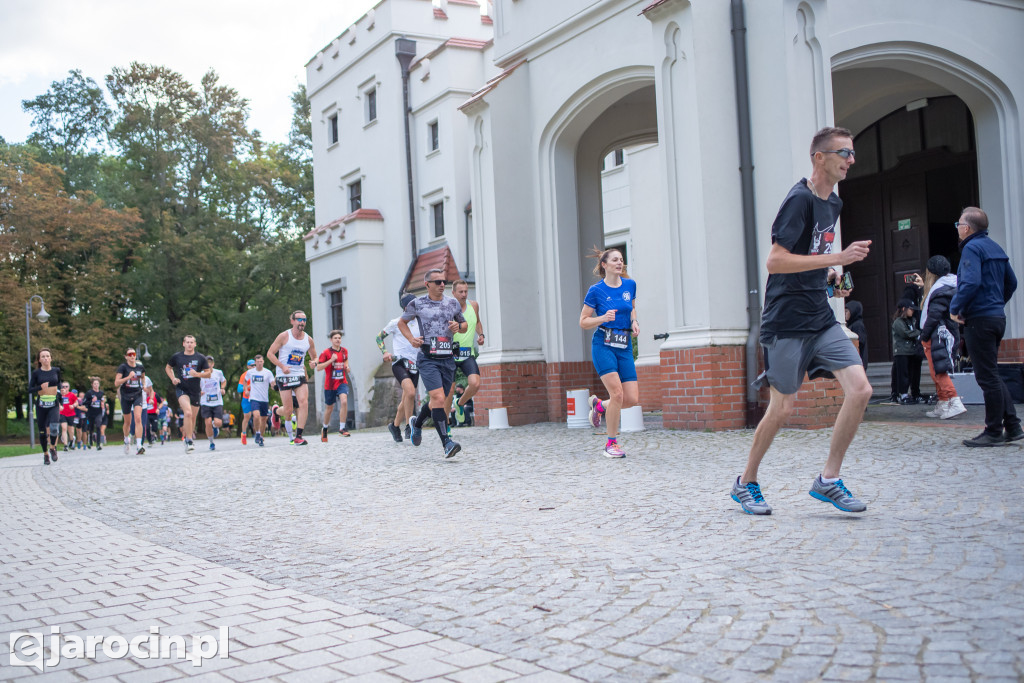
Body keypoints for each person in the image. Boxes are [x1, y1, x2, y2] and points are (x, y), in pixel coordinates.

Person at [730, 126, 873, 515]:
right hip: (786, 322)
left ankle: (828, 480)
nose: (850, 160)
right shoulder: (799, 200)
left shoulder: (834, 204)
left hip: (820, 316)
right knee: (783, 409)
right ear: (819, 157)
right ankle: (746, 482)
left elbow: (812, 254)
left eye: (852, 153)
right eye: (843, 152)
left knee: (860, 390)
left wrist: (830, 277)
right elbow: (775, 261)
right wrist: (836, 259)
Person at [949, 206, 1021, 446]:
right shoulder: (995, 247)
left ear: (967, 228)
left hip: (979, 320)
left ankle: (992, 431)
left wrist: (955, 308)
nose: (957, 228)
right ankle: (1012, 426)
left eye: (959, 224)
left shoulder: (971, 248)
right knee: (992, 374)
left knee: (986, 377)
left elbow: (970, 282)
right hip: (997, 318)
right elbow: (1012, 282)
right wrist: (997, 303)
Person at [399, 269, 467, 458]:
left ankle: (417, 423)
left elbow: (464, 325)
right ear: (427, 284)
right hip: (428, 358)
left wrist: (458, 327)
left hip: (447, 359)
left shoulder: (452, 303)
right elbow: (401, 323)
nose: (442, 284)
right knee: (438, 398)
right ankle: (446, 442)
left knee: (438, 399)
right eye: (437, 282)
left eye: (443, 281)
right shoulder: (417, 303)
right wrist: (412, 339)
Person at [579, 248, 639, 458]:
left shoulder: (630, 285)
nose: (619, 263)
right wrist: (602, 318)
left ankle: (599, 406)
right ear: (604, 265)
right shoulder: (596, 290)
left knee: (630, 399)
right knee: (618, 394)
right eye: (615, 260)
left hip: (624, 345)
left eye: (621, 260)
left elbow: (631, 307)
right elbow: (583, 321)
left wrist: (634, 321)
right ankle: (611, 444)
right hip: (603, 343)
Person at [921, 255, 967, 420]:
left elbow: (933, 315)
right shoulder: (950, 285)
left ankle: (954, 401)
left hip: (937, 334)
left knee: (939, 371)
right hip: (945, 332)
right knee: (936, 371)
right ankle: (942, 402)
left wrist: (923, 335)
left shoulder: (939, 291)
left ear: (932, 272)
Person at [376, 293, 421, 443]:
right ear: (405, 307)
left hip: (416, 364)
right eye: (413, 305)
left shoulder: (421, 322)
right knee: (410, 392)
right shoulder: (396, 322)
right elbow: (379, 337)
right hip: (399, 363)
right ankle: (409, 426)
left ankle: (395, 426)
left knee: (407, 398)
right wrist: (385, 352)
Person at [267, 311, 316, 445]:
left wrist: (314, 362)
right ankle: (276, 412)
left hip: (299, 374)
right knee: (288, 411)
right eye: (299, 319)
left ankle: (298, 436)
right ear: (292, 321)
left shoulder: (308, 339)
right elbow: (270, 354)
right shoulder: (284, 336)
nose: (302, 322)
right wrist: (282, 366)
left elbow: (314, 356)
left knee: (303, 402)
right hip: (284, 376)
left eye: (304, 320)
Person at [443, 280, 485, 426]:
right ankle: (446, 423)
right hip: (450, 354)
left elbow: (477, 322)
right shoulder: (447, 309)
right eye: (460, 292)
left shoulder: (473, 305)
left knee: (475, 383)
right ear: (453, 293)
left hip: (467, 353)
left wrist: (481, 335)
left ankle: (460, 403)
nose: (464, 294)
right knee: (449, 391)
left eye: (466, 291)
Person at [165, 334, 212, 452]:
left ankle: (189, 435)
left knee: (193, 417)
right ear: (183, 344)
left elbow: (208, 373)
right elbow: (168, 368)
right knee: (188, 413)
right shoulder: (177, 357)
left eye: (192, 342)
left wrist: (197, 374)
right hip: (182, 388)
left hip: (195, 390)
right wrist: (173, 378)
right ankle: (189, 440)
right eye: (187, 342)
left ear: (195, 344)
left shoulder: (201, 358)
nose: (189, 344)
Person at [315, 330, 351, 441]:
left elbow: (345, 361)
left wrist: (347, 367)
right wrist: (331, 360)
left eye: (339, 338)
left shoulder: (344, 351)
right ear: (331, 340)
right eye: (335, 338)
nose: (338, 340)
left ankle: (342, 428)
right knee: (329, 408)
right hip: (330, 385)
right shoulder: (326, 352)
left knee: (344, 401)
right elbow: (319, 367)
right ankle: (325, 428)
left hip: (341, 382)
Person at [28, 349, 62, 465]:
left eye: (47, 356)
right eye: (43, 356)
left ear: (51, 358)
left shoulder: (56, 370)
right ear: (39, 360)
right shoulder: (36, 373)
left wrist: (60, 393)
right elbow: (29, 389)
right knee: (42, 432)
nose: (46, 358)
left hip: (54, 404)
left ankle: (52, 448)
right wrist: (40, 387)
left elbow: (59, 384)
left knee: (54, 428)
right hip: (41, 406)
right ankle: (45, 454)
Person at [114, 347, 147, 455]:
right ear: (126, 356)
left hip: (137, 394)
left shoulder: (140, 367)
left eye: (133, 354)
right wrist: (128, 377)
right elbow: (116, 383)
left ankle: (139, 445)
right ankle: (126, 439)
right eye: (130, 354)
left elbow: (143, 377)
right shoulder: (123, 367)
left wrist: (144, 385)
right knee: (127, 422)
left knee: (138, 418)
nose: (132, 356)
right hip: (126, 396)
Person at [891, 298, 922, 404]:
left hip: (911, 351)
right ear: (904, 309)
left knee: (910, 373)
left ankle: (912, 394)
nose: (912, 311)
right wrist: (918, 332)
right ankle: (902, 394)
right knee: (902, 373)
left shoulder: (911, 320)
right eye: (910, 309)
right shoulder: (898, 322)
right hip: (901, 352)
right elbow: (906, 333)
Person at [246, 355, 276, 446]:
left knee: (264, 419)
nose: (259, 363)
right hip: (254, 398)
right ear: (255, 363)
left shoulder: (268, 372)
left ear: (263, 362)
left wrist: (273, 386)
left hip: (264, 399)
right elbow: (245, 380)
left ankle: (261, 436)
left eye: (261, 361)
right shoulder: (250, 372)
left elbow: (272, 383)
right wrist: (246, 389)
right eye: (257, 362)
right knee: (256, 415)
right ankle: (257, 433)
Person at [199, 355, 227, 450]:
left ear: (213, 364)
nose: (208, 364)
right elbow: (195, 386)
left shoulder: (218, 372)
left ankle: (216, 427)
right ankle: (211, 442)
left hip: (217, 401)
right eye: (207, 362)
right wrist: (199, 391)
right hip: (205, 401)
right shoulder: (200, 374)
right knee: (207, 422)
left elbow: (224, 381)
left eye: (210, 362)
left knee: (218, 422)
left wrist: (222, 388)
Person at [844, 300, 868, 369]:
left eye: (846, 311)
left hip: (858, 362)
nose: (844, 314)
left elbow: (859, 343)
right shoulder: (850, 324)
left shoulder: (858, 325)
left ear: (853, 312)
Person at [83, 378, 105, 450]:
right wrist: (92, 401)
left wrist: (103, 403)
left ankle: (98, 444)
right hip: (91, 412)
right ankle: (91, 442)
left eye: (97, 384)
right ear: (92, 385)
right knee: (91, 427)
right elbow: (84, 402)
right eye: (94, 384)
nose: (96, 385)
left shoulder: (101, 393)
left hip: (98, 412)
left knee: (98, 426)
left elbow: (103, 400)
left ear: (99, 385)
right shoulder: (89, 393)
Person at [237, 359, 255, 444]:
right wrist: (248, 386)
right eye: (251, 365)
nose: (253, 367)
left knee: (258, 416)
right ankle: (243, 434)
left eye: (254, 365)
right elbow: (239, 389)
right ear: (248, 367)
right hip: (246, 398)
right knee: (247, 416)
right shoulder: (244, 375)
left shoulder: (258, 373)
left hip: (256, 398)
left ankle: (258, 434)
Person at [57, 381, 79, 451]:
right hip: (62, 413)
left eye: (66, 386)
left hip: (70, 414)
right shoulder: (59, 395)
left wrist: (73, 405)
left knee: (71, 429)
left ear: (69, 387)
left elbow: (76, 402)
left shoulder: (71, 395)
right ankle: (65, 445)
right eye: (63, 386)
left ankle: (71, 441)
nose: (65, 388)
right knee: (64, 428)